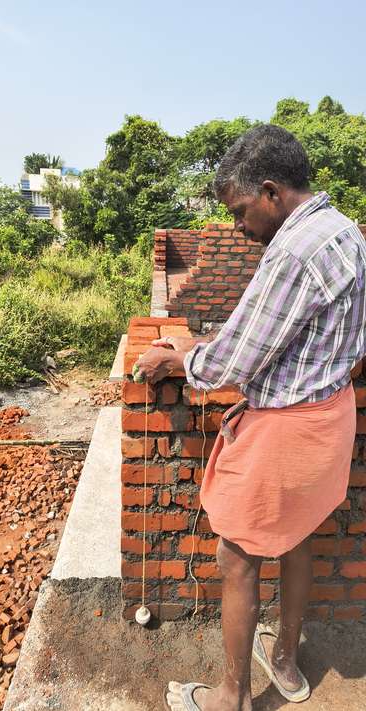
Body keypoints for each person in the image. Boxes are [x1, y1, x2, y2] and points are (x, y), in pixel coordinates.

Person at [135, 125, 366, 711]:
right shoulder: (344, 231)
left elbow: (235, 356)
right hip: (330, 415)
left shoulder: (292, 249)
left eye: (240, 212)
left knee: (237, 557)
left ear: (269, 192)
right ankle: (285, 663)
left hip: (286, 431)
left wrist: (179, 357)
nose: (239, 227)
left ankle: (230, 696)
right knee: (297, 538)